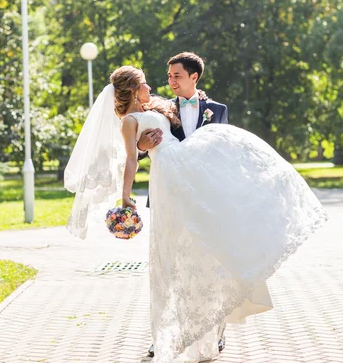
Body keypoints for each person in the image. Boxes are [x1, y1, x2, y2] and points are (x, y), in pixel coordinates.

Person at [64, 66, 328, 363]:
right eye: (145, 83)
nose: (153, 86)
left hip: (195, 172)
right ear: (133, 89)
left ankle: (213, 327)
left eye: (173, 76)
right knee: (178, 254)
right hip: (170, 179)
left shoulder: (166, 106)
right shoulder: (128, 121)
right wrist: (126, 193)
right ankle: (174, 334)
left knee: (213, 246)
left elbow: (172, 122)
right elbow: (131, 161)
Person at [137, 52, 229, 358]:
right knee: (169, 269)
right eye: (169, 76)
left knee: (209, 268)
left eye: (177, 75)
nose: (171, 81)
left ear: (194, 77)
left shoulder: (217, 110)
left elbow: (224, 154)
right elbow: (135, 139)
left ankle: (212, 334)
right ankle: (163, 337)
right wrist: (142, 146)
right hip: (169, 200)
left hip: (205, 202)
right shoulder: (159, 108)